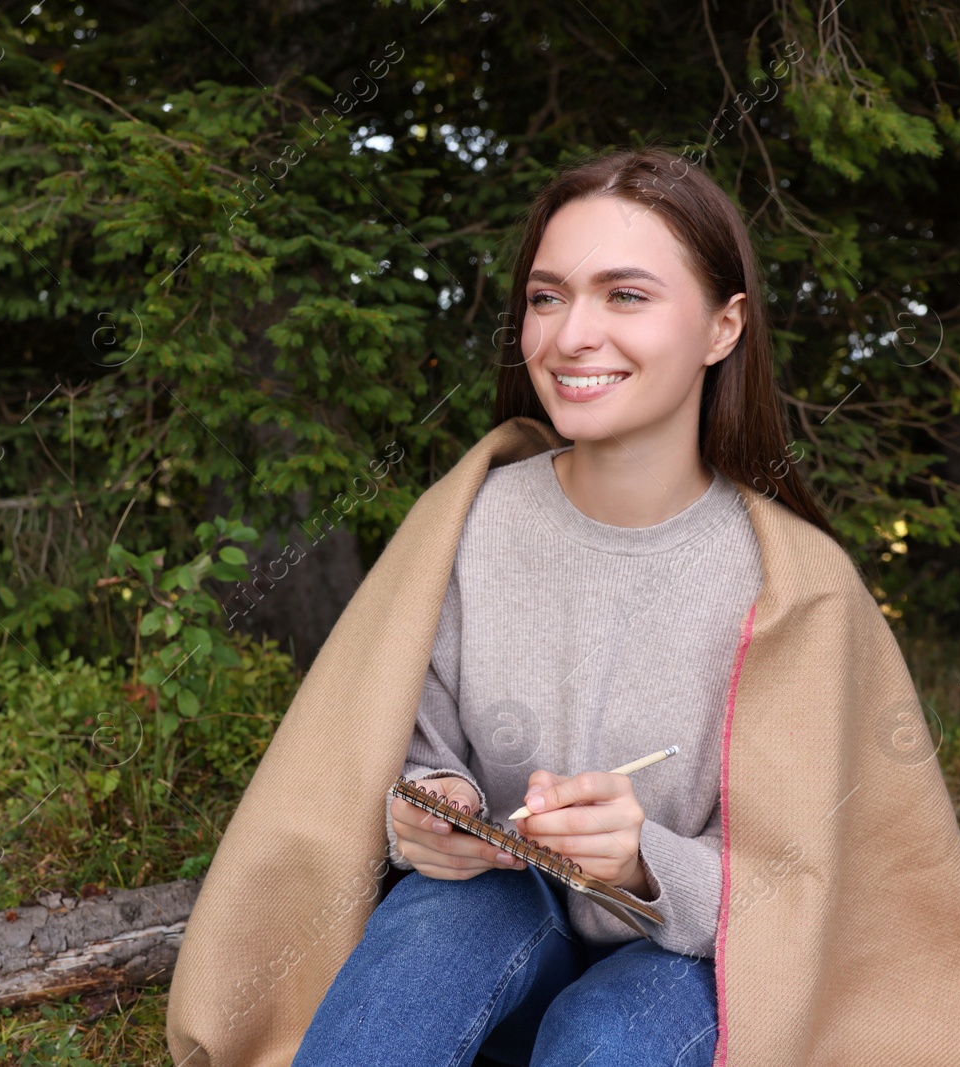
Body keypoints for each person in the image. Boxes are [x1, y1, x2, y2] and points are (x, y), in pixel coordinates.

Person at [290, 145, 838, 1067]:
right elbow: (410, 738)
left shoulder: (795, 584)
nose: (570, 335)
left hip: (693, 962)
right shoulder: (474, 516)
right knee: (440, 928)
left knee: (604, 1038)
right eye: (547, 297)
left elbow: (813, 885)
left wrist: (639, 860)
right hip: (502, 920)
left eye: (626, 295)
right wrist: (433, 805)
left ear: (723, 326)